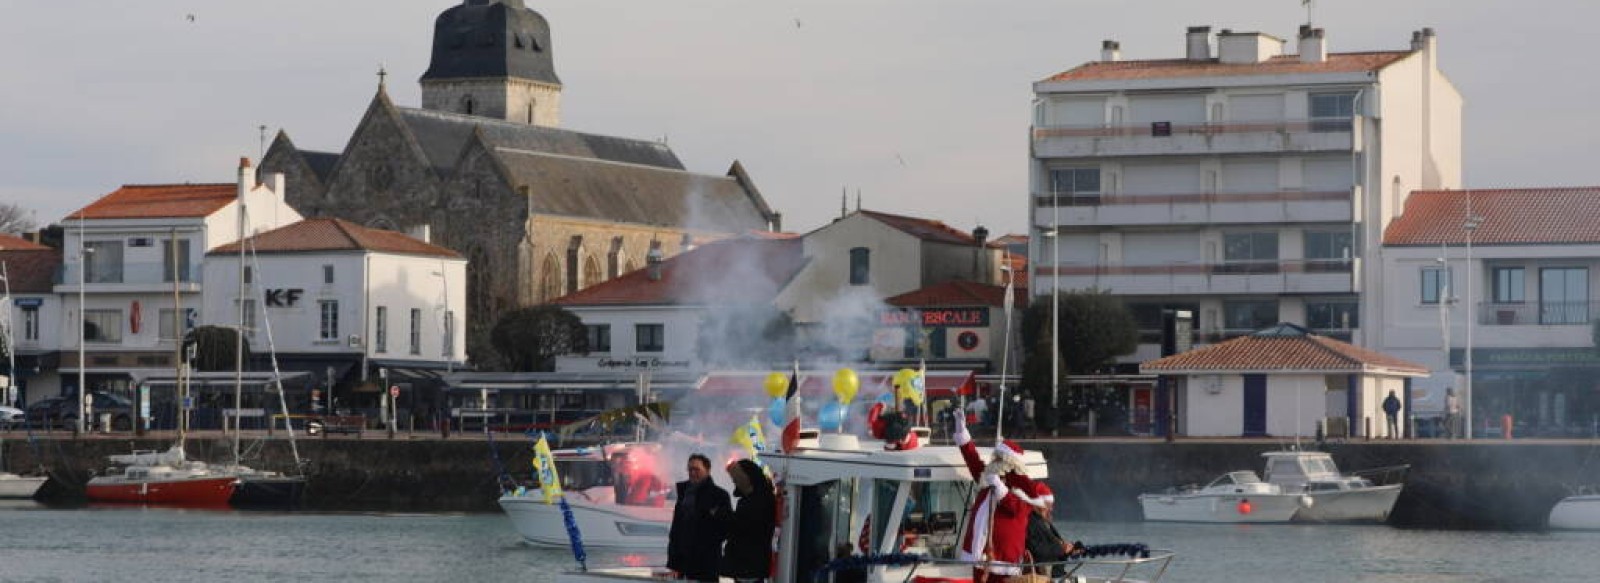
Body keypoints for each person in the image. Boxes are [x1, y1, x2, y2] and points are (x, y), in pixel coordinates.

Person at [953, 411, 1041, 581]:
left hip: (1004, 557)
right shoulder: (989, 478)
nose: (995, 463)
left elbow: (1021, 509)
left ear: (1010, 463)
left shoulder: (1022, 485)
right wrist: (962, 432)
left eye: (1001, 459)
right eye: (996, 458)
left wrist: (1001, 489)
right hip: (981, 552)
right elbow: (973, 460)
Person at [667, 453, 731, 581]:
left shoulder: (719, 495)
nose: (692, 473)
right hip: (682, 561)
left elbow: (726, 527)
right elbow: (676, 528)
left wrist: (707, 545)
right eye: (690, 469)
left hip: (706, 563)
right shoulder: (684, 492)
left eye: (696, 469)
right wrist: (673, 560)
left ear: (707, 470)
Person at [721, 459, 776, 582]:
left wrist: (722, 515)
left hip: (748, 567)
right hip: (748, 567)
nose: (734, 481)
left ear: (747, 478)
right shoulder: (759, 497)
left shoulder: (757, 501)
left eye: (736, 478)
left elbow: (741, 527)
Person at [1023, 483, 1083, 578]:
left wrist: (1071, 549)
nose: (1051, 509)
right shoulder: (1030, 522)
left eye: (1051, 505)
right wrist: (1062, 549)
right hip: (1044, 576)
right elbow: (1035, 550)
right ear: (1037, 504)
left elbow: (1054, 547)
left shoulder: (1043, 521)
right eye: (1048, 505)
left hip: (1057, 575)